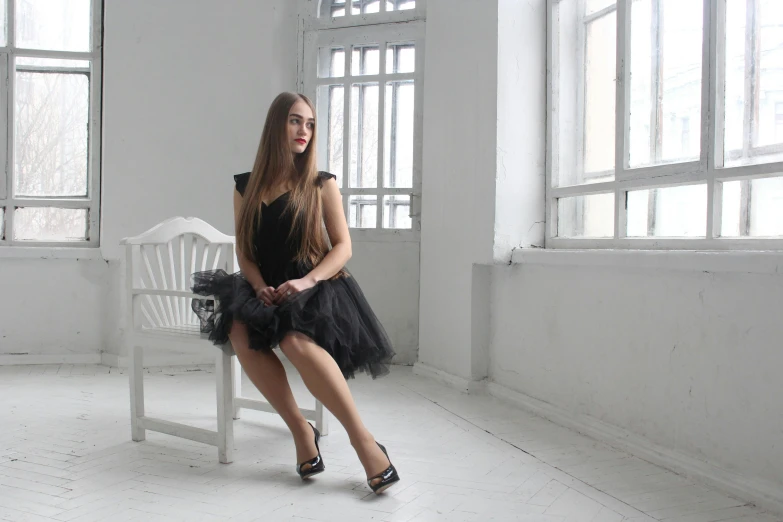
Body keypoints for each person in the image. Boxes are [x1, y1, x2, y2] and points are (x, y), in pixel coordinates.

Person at [191, 92, 399, 494]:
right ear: (275, 126)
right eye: (294, 120)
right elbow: (244, 250)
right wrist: (256, 286)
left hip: (314, 284)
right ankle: (302, 432)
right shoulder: (245, 187)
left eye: (309, 123)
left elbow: (343, 247)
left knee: (294, 341)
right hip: (263, 285)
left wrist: (307, 282)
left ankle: (365, 442)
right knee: (237, 327)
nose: (304, 130)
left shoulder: (321, 184)